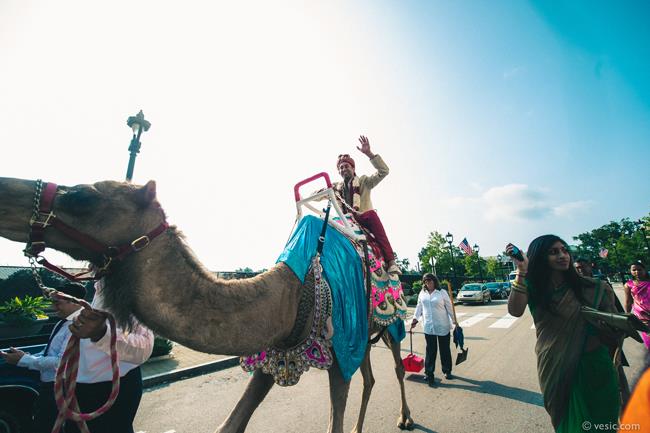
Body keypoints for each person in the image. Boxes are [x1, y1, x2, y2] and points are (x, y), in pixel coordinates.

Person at [506, 235, 620, 433]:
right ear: (540, 258)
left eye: (564, 250)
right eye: (553, 252)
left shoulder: (594, 288)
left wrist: (608, 326)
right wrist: (522, 271)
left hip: (597, 367)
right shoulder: (534, 288)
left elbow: (617, 331)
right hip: (556, 366)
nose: (562, 255)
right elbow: (515, 310)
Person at [63, 277, 154, 433]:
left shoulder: (132, 291)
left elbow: (144, 348)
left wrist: (102, 333)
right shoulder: (100, 290)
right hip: (79, 388)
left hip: (112, 388)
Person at [0, 282, 86, 433]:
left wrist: (24, 360)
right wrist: (27, 357)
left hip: (61, 388)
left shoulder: (78, 325)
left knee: (48, 426)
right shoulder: (63, 323)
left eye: (57, 302)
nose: (53, 307)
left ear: (74, 301)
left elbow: (63, 363)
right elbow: (50, 352)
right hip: (52, 387)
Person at [334, 135, 400, 274]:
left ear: (353, 168)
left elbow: (384, 171)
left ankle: (391, 261)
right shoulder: (336, 187)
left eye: (346, 166)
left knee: (371, 215)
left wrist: (369, 153)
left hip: (363, 218)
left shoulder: (363, 181)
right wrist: (303, 197)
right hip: (345, 221)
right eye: (340, 168)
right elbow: (322, 192)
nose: (343, 169)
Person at [409, 273, 457, 386]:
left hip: (442, 325)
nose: (428, 283)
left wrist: (455, 321)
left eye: (429, 281)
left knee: (444, 349)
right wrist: (415, 319)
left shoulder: (442, 293)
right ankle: (429, 372)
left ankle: (447, 370)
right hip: (428, 327)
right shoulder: (422, 293)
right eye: (425, 281)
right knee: (430, 351)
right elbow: (419, 307)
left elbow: (450, 307)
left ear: (434, 281)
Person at [623, 261, 650, 350]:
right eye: (634, 270)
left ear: (645, 270)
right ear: (630, 271)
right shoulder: (628, 285)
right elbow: (628, 302)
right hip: (643, 319)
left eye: (639, 269)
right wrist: (626, 315)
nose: (637, 272)